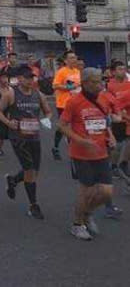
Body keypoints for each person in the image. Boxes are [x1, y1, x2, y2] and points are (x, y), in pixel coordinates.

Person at [59, 68, 117, 241]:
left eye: (100, 81)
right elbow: (62, 125)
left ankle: (87, 213)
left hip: (101, 152)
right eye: (94, 82)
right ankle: (77, 225)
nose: (99, 85)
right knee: (87, 191)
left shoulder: (104, 99)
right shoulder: (74, 102)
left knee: (107, 192)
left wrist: (111, 136)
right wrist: (81, 140)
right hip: (81, 154)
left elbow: (105, 121)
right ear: (85, 83)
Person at [0, 66, 53, 220]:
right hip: (18, 137)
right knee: (29, 170)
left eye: (32, 78)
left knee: (35, 171)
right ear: (19, 79)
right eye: (27, 78)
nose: (30, 80)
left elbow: (48, 111)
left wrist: (46, 119)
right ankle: (33, 205)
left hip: (34, 136)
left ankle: (13, 180)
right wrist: (8, 122)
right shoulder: (11, 94)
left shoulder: (38, 94)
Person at [52, 50, 82, 161]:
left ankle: (74, 150)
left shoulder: (77, 71)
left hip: (76, 103)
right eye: (71, 58)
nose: (74, 60)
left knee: (75, 126)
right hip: (63, 103)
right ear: (65, 60)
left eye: (75, 57)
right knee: (62, 127)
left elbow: (79, 86)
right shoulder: (61, 72)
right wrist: (68, 88)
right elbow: (55, 86)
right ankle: (55, 147)